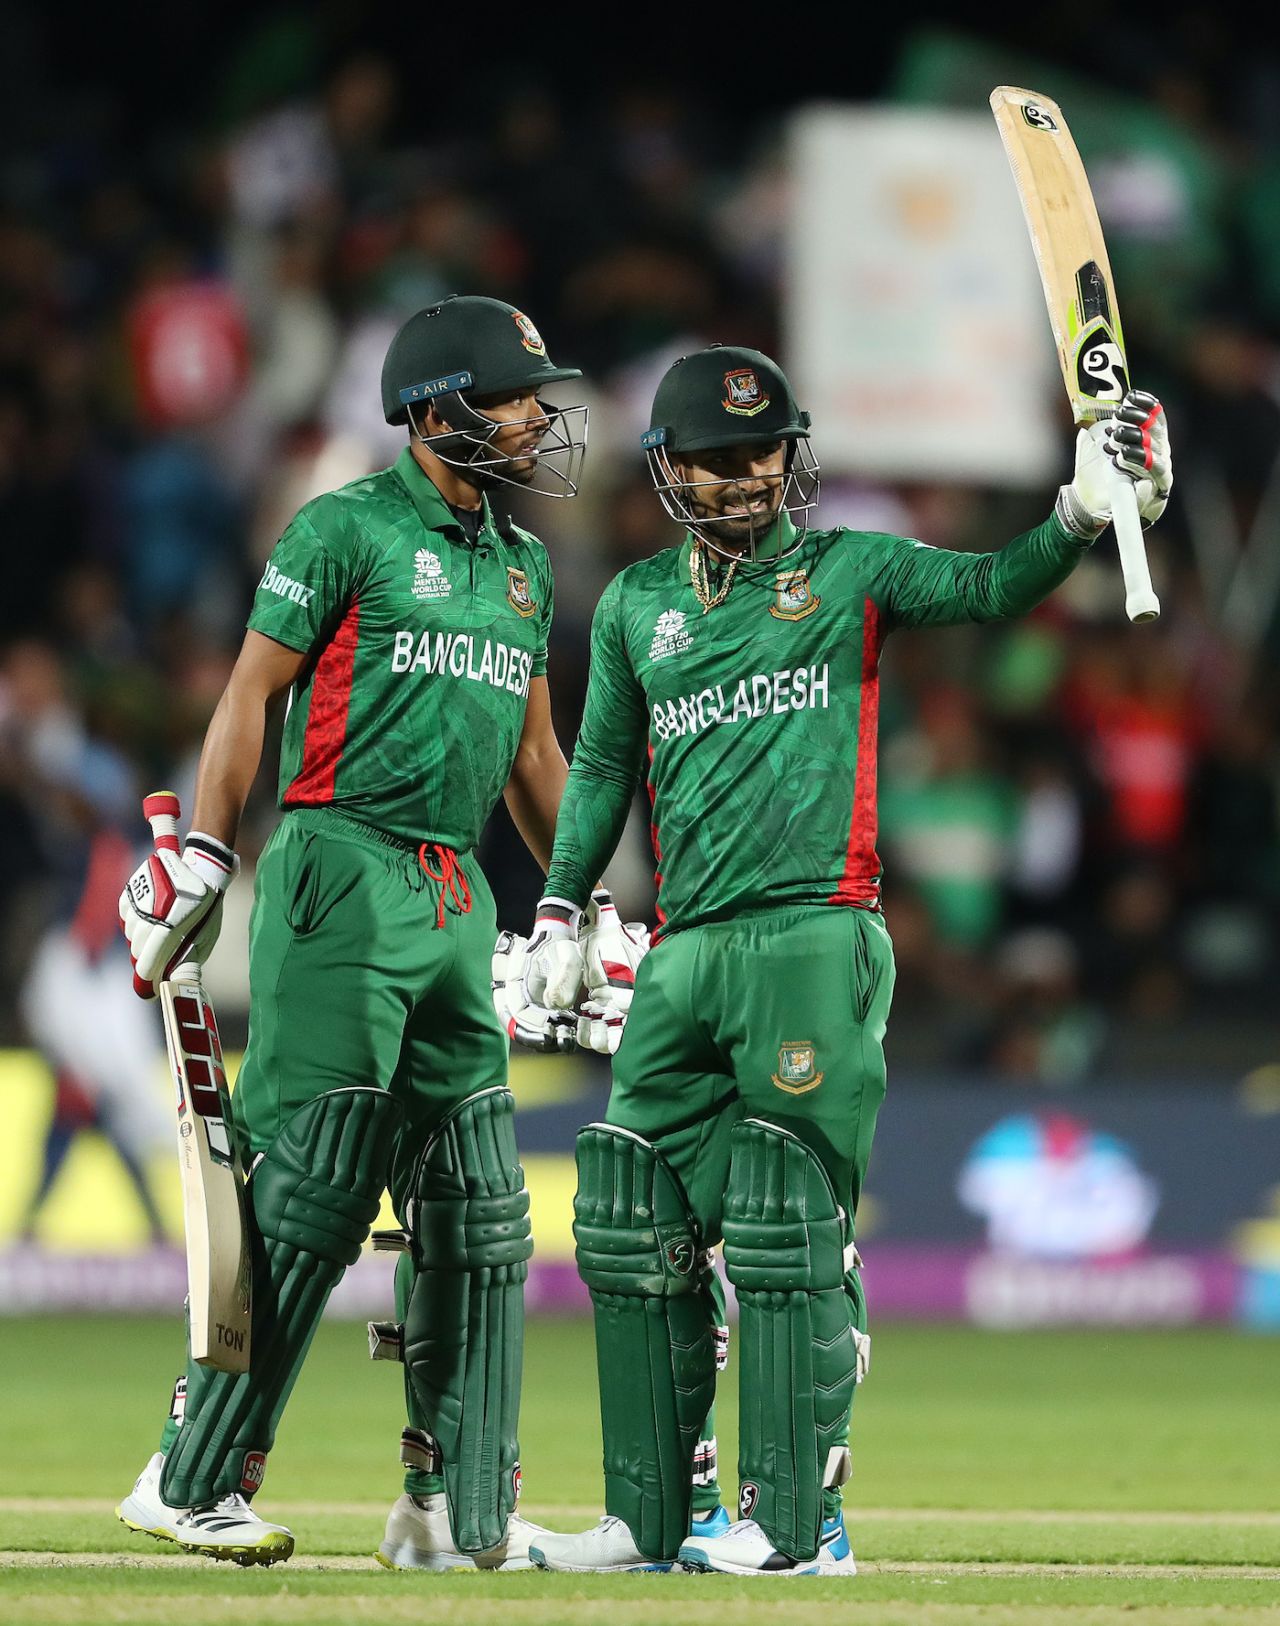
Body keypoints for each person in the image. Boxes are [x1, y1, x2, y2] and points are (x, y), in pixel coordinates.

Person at [521, 345, 1172, 1576]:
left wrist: (1080, 512)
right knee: (628, 1214)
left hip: (815, 931)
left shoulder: (847, 570)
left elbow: (988, 586)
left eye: (758, 454)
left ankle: (799, 1526)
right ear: (664, 471)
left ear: (791, 453)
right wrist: (560, 909)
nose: (740, 479)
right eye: (712, 461)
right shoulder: (631, 607)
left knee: (783, 1228)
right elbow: (603, 767)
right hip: (682, 947)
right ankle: (650, 1518)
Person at [115, 294, 598, 1570]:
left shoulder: (520, 560)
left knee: (479, 1205)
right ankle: (190, 1474)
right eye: (513, 396)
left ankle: (443, 1511)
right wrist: (209, 851)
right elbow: (247, 695)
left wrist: (580, 904)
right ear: (436, 408)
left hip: (455, 894)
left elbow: (535, 757)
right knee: (314, 1182)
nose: (539, 419)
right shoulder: (344, 528)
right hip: (339, 863)